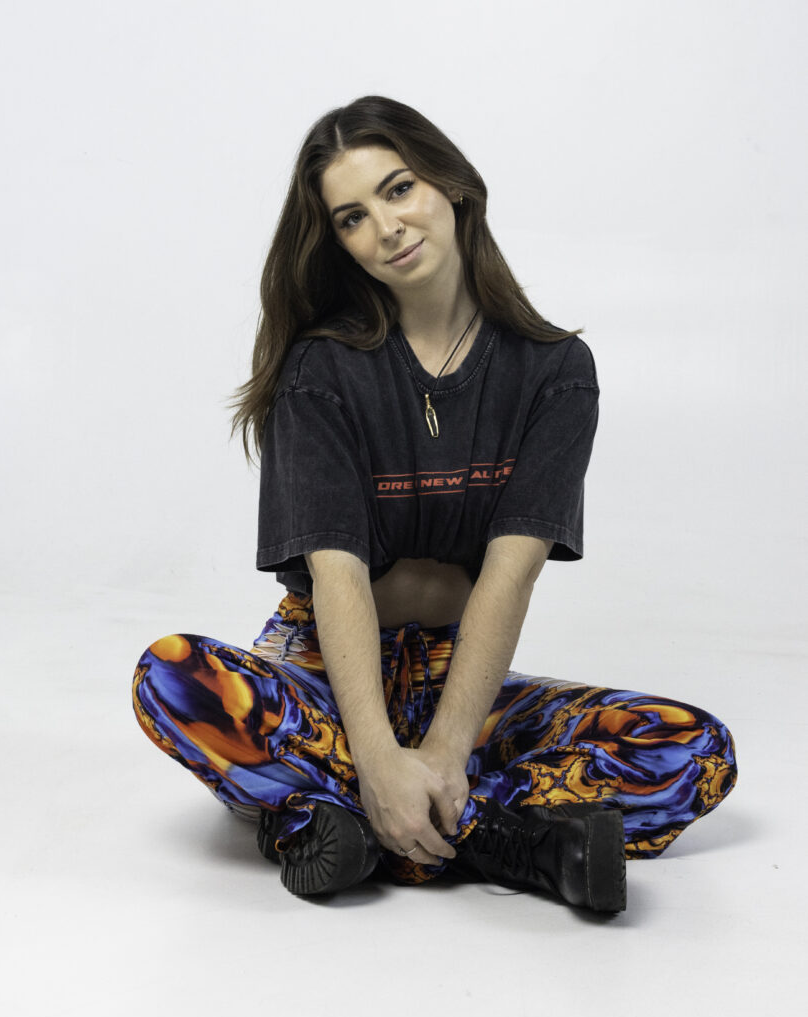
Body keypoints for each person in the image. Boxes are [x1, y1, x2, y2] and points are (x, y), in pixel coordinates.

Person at [132, 95, 737, 914]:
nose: (385, 227)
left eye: (398, 189)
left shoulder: (554, 371)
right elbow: (337, 576)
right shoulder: (320, 373)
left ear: (450, 185)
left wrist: (447, 748)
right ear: (338, 243)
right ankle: (497, 836)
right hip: (323, 671)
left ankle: (334, 818)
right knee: (171, 675)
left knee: (694, 749)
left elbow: (510, 575)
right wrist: (380, 756)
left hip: (464, 679)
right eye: (351, 217)